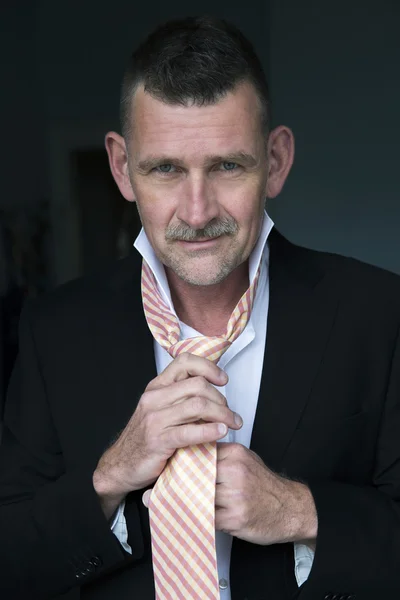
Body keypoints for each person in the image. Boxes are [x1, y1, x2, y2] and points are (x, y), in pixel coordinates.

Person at [1, 15, 400, 600]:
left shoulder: (380, 314)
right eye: (165, 169)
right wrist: (111, 475)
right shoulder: (53, 331)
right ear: (121, 168)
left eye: (226, 166)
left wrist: (299, 511)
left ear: (277, 160)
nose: (195, 211)